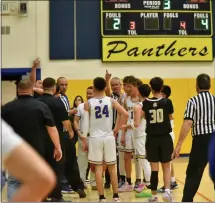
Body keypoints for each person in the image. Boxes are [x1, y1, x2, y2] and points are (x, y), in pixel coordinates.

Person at [1, 79, 62, 201]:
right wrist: (58, 147)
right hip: (36, 151)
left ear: (18, 90)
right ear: (32, 89)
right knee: (37, 181)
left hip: (14, 152)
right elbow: (52, 129)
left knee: (14, 182)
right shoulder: (40, 106)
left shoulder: (7, 108)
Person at [82, 77, 129, 202]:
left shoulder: (89, 103)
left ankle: (102, 197)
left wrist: (84, 139)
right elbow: (125, 114)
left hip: (94, 138)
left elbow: (85, 124)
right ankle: (116, 196)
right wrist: (117, 128)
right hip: (109, 137)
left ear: (94, 87)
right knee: (112, 167)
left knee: (98, 168)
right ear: (105, 87)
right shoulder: (111, 100)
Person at [172, 73, 215, 202]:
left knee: (193, 173)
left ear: (196, 86)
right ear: (210, 85)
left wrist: (179, 144)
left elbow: (188, 122)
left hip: (201, 140)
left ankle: (187, 200)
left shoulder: (193, 101)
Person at [38, 77, 75, 201]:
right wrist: (70, 132)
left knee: (43, 167)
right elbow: (66, 121)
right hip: (56, 139)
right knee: (57, 167)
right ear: (54, 87)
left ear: (43, 87)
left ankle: (43, 196)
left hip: (41, 138)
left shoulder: (38, 101)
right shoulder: (57, 101)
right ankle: (57, 196)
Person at [2, 119, 56, 202]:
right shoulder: (40, 108)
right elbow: (43, 178)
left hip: (18, 151)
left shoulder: (7, 109)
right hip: (32, 150)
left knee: (12, 181)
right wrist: (58, 147)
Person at [143, 77, 174, 202]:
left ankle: (153, 195)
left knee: (154, 168)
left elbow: (145, 118)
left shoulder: (145, 103)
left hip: (152, 138)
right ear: (162, 87)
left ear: (150, 88)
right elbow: (170, 118)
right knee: (166, 166)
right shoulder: (167, 102)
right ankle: (167, 191)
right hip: (165, 137)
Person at [57, 76, 86, 197]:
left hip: (66, 132)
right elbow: (61, 114)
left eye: (66, 84)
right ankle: (63, 184)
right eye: (62, 84)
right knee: (62, 159)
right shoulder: (56, 97)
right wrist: (71, 112)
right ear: (57, 85)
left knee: (71, 159)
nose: (64, 86)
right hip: (60, 132)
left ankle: (73, 183)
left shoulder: (64, 97)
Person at [122, 84, 152, 193]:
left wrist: (126, 126)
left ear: (139, 92)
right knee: (145, 160)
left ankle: (148, 183)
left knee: (143, 160)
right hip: (147, 133)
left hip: (140, 135)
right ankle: (147, 182)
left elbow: (136, 123)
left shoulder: (138, 106)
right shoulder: (150, 103)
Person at [118, 76, 142, 192]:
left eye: (129, 86)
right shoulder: (124, 99)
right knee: (127, 156)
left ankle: (139, 181)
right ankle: (128, 181)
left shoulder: (142, 98)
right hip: (127, 130)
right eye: (125, 85)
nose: (126, 88)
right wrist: (122, 134)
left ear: (135, 85)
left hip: (139, 129)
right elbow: (123, 116)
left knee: (139, 157)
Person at [73, 86, 96, 189]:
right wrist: (79, 133)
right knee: (82, 162)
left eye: (91, 93)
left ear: (95, 93)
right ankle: (82, 182)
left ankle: (94, 182)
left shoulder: (98, 106)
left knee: (95, 161)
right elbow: (75, 120)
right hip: (83, 137)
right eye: (87, 93)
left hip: (95, 137)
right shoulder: (81, 106)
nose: (89, 95)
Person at [104, 70, 124, 188]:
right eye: (113, 85)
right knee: (109, 156)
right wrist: (107, 80)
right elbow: (106, 91)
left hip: (122, 129)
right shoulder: (110, 97)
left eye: (117, 84)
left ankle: (122, 179)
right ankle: (108, 180)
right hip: (110, 129)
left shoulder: (125, 97)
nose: (115, 86)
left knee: (120, 156)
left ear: (121, 85)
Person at [157, 85, 178, 192]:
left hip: (168, 134)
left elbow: (170, 118)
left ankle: (169, 184)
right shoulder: (162, 104)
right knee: (168, 160)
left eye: (159, 92)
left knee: (166, 160)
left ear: (163, 94)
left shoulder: (166, 103)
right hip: (167, 133)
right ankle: (172, 181)